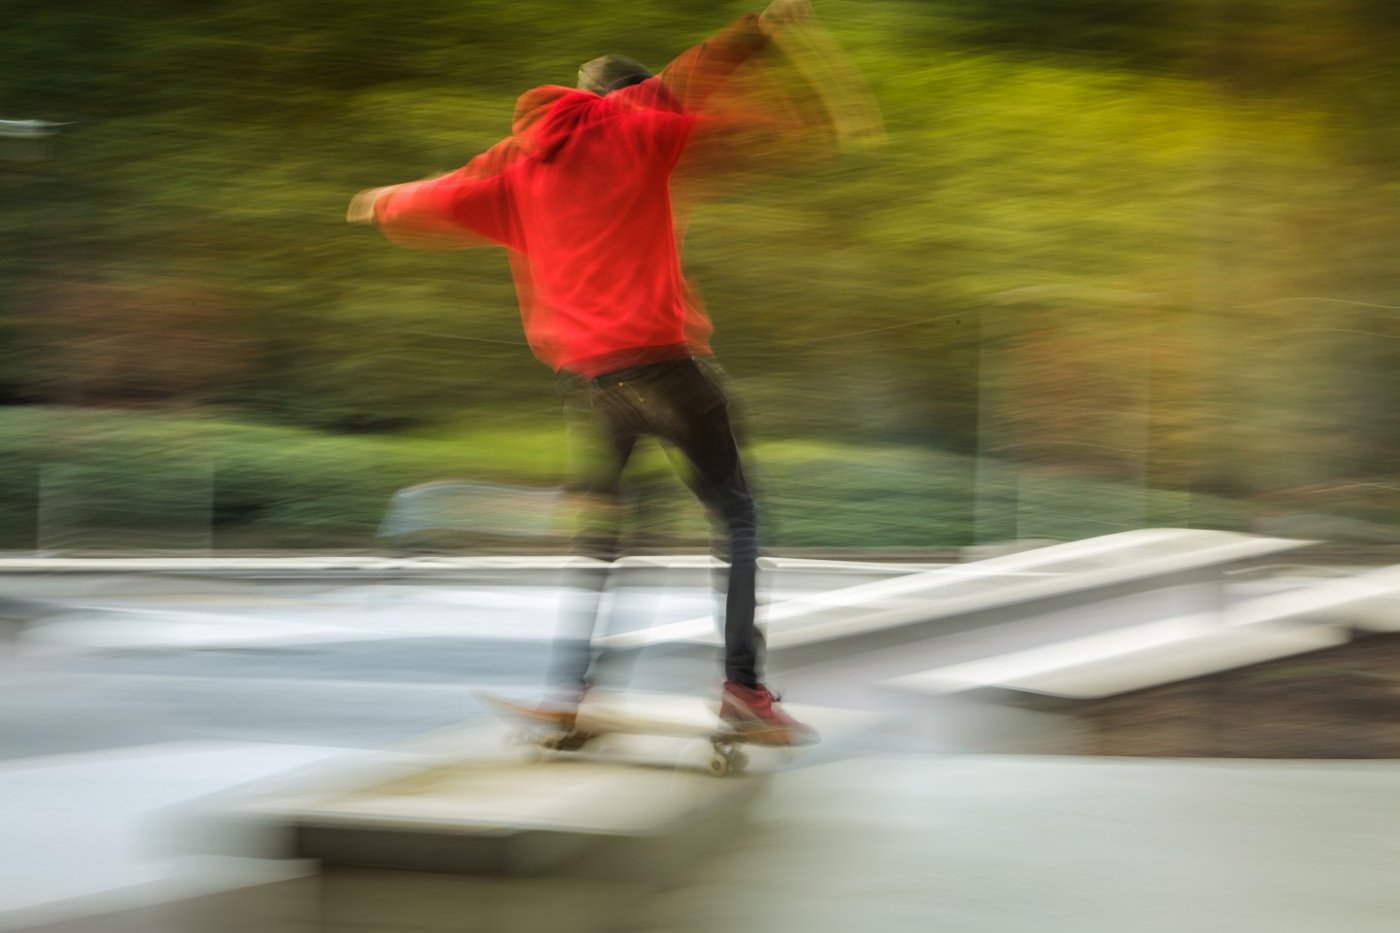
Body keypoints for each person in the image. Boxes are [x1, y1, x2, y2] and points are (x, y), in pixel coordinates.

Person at [348, 1, 820, 745]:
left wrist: (383, 204)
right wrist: (759, 32)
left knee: (604, 535)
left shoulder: (517, 163)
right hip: (667, 366)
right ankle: (743, 689)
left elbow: (437, 197)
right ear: (631, 97)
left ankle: (572, 694)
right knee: (737, 516)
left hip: (591, 382)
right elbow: (699, 75)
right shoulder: (636, 126)